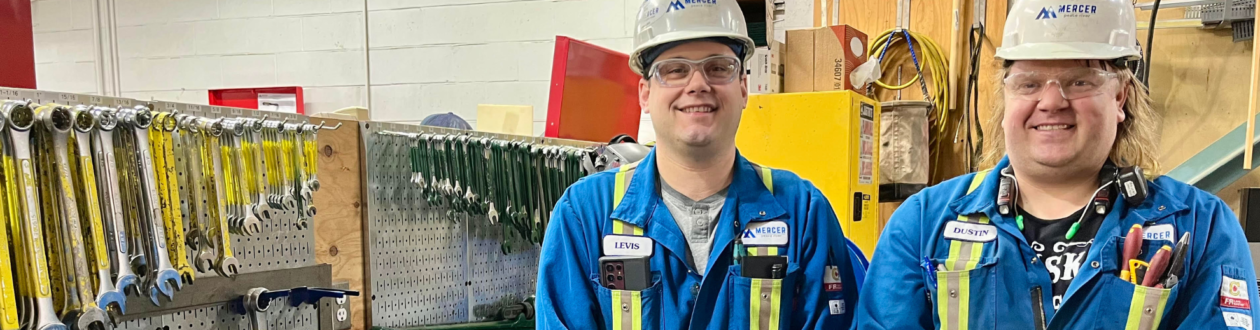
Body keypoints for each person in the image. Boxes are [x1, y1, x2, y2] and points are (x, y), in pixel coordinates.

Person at [853, 0, 1260, 328]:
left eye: (1079, 81)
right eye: (1028, 83)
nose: (1050, 101)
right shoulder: (923, 225)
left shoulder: (1203, 228)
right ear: (1007, 97)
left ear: (1120, 98)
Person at [535, 0, 862, 328]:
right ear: (645, 93)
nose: (697, 85)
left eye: (718, 68)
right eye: (675, 69)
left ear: (744, 88)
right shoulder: (585, 216)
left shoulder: (804, 213)